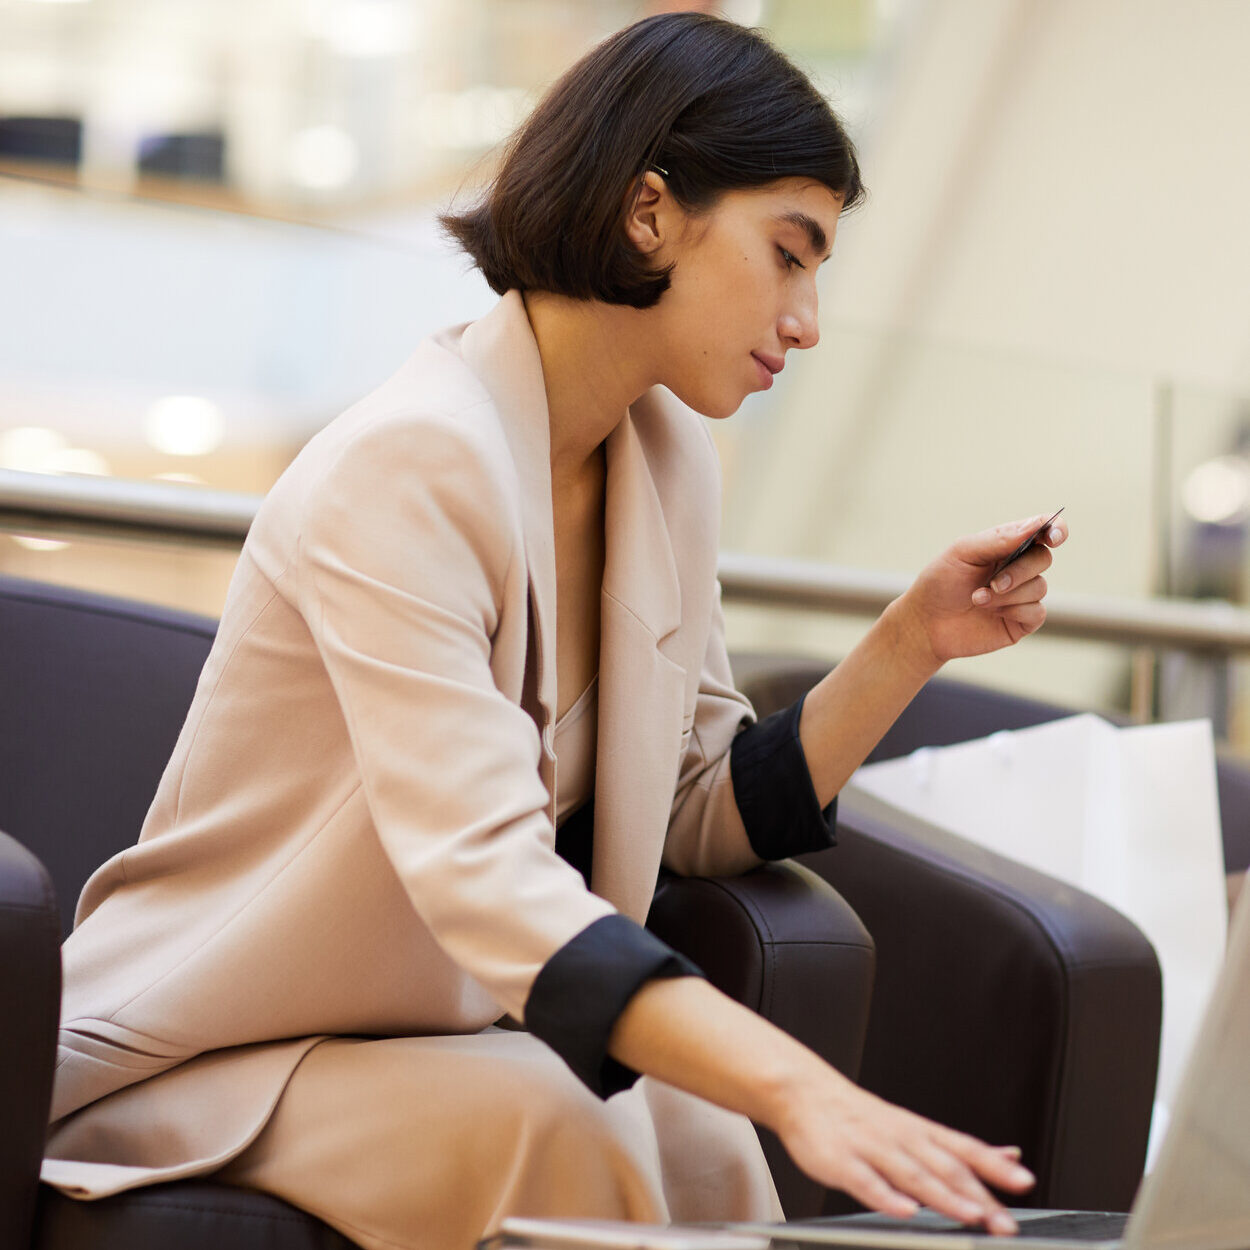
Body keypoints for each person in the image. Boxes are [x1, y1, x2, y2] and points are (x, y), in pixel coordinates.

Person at [42, 13, 1066, 1249]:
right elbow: (485, 872)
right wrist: (801, 1084)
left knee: (693, 1121)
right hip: (216, 1046)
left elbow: (698, 808)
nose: (804, 319)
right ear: (649, 213)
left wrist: (912, 638)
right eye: (786, 254)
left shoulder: (666, 459)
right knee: (564, 1112)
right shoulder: (411, 464)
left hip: (444, 1036)